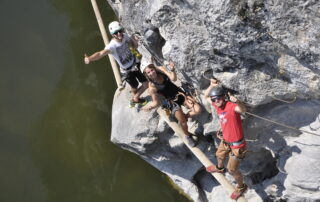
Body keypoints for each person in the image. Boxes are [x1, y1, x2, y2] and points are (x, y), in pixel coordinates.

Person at [84, 21, 148, 107]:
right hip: (127, 71)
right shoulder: (112, 46)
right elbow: (100, 53)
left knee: (145, 83)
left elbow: (134, 47)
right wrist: (90, 58)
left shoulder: (125, 36)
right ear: (112, 34)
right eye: (116, 33)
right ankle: (135, 99)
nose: (119, 34)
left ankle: (135, 98)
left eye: (120, 31)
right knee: (134, 86)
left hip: (135, 64)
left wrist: (134, 40)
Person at [140, 60, 202, 147]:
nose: (151, 73)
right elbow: (156, 102)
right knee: (183, 123)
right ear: (146, 75)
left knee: (198, 109)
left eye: (152, 70)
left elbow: (173, 78)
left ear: (154, 68)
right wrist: (149, 107)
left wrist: (172, 70)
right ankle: (188, 136)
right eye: (148, 72)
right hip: (171, 102)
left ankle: (184, 116)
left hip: (179, 93)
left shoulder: (161, 70)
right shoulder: (152, 87)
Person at [204, 78, 248, 200]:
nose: (216, 101)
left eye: (218, 98)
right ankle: (219, 168)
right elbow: (206, 96)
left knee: (232, 170)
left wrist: (237, 101)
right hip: (226, 140)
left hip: (237, 146)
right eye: (214, 99)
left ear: (223, 97)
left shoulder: (231, 106)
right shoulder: (217, 105)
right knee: (219, 155)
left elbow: (242, 110)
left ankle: (241, 187)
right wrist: (211, 85)